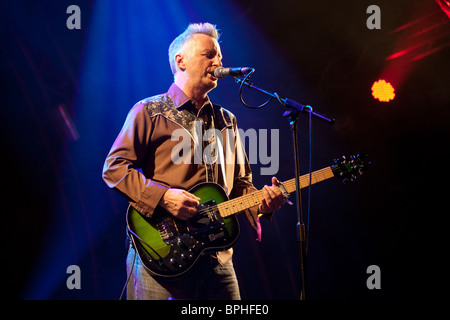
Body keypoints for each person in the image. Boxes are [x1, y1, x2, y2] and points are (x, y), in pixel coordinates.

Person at [102, 22, 286, 300]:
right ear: (181, 61)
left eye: (220, 57)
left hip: (218, 259)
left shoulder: (227, 120)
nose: (218, 62)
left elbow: (240, 184)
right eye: (209, 55)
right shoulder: (148, 111)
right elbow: (114, 168)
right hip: (161, 256)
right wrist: (164, 197)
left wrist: (263, 204)